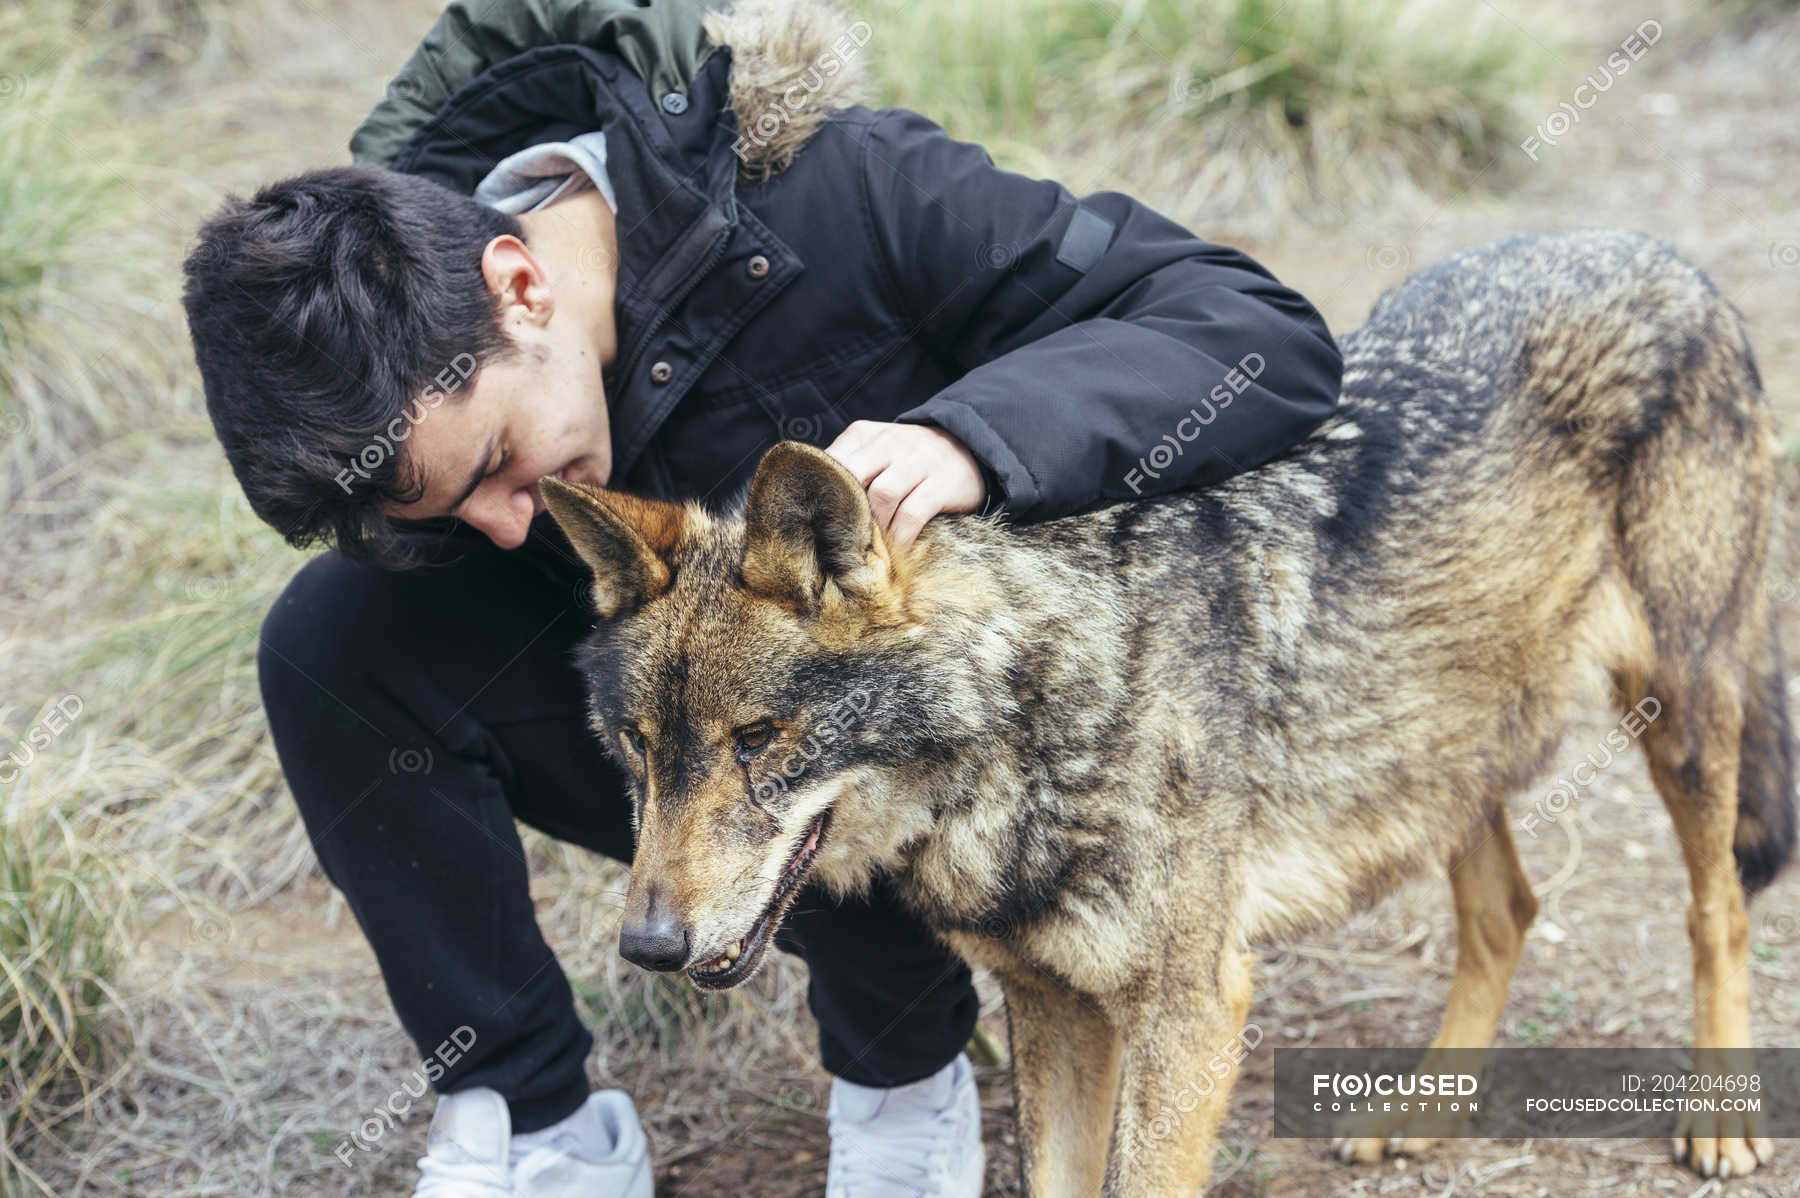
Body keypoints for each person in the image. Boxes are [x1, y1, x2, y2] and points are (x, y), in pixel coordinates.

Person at [179, 0, 1344, 1193]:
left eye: (493, 467)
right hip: (671, 722)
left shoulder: (854, 194)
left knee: (813, 702)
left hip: (935, 744)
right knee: (329, 641)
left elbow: (1257, 332)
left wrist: (976, 439)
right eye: (452, 513)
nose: (505, 527)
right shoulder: (416, 356)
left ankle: (903, 1081)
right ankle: (536, 1124)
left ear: (518, 281)